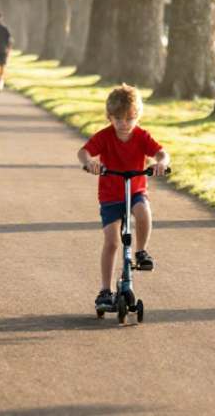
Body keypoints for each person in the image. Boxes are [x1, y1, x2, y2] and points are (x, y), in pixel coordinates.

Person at [76, 85, 171, 312]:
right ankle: (105, 290)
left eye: (130, 118)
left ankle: (141, 251)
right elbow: (84, 151)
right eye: (118, 118)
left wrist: (161, 163)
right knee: (111, 242)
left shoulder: (141, 136)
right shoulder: (105, 136)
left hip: (135, 190)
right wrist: (89, 162)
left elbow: (161, 152)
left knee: (143, 212)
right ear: (109, 117)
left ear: (137, 116)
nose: (124, 124)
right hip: (110, 194)